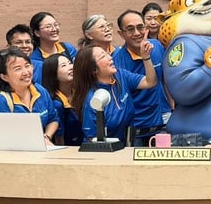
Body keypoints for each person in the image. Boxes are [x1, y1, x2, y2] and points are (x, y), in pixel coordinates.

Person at [71, 44, 156, 144]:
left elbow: (150, 82)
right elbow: (92, 138)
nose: (110, 57)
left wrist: (146, 58)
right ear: (94, 70)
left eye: (107, 54)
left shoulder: (121, 75)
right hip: (104, 151)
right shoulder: (93, 100)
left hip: (127, 143)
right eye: (103, 56)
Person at [113, 10, 171, 145]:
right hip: (135, 126)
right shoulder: (116, 61)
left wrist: (171, 107)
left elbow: (165, 80)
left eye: (140, 27)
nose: (137, 33)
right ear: (121, 34)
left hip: (162, 120)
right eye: (130, 29)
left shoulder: (156, 46)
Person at [0, 48, 59, 143]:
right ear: (4, 77)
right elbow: (5, 135)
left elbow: (53, 119)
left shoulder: (40, 90)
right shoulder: (0, 100)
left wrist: (46, 137)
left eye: (27, 66)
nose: (26, 72)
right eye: (18, 69)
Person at [42, 53, 82, 146]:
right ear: (53, 74)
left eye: (70, 63)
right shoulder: (56, 103)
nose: (71, 67)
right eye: (64, 66)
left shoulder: (79, 92)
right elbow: (59, 138)